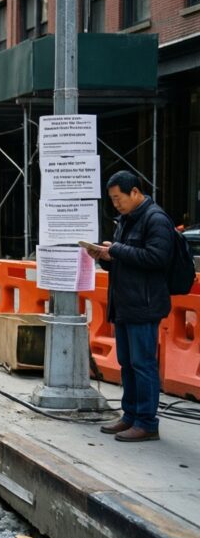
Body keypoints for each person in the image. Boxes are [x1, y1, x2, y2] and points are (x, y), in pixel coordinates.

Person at [87, 171, 176, 443]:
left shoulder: (156, 219)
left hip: (144, 304)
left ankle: (147, 422)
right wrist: (103, 256)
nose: (116, 204)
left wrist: (115, 250)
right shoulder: (126, 220)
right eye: (112, 200)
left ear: (135, 192)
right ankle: (130, 415)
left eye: (118, 198)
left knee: (143, 363)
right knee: (127, 362)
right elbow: (123, 258)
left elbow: (158, 257)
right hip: (125, 303)